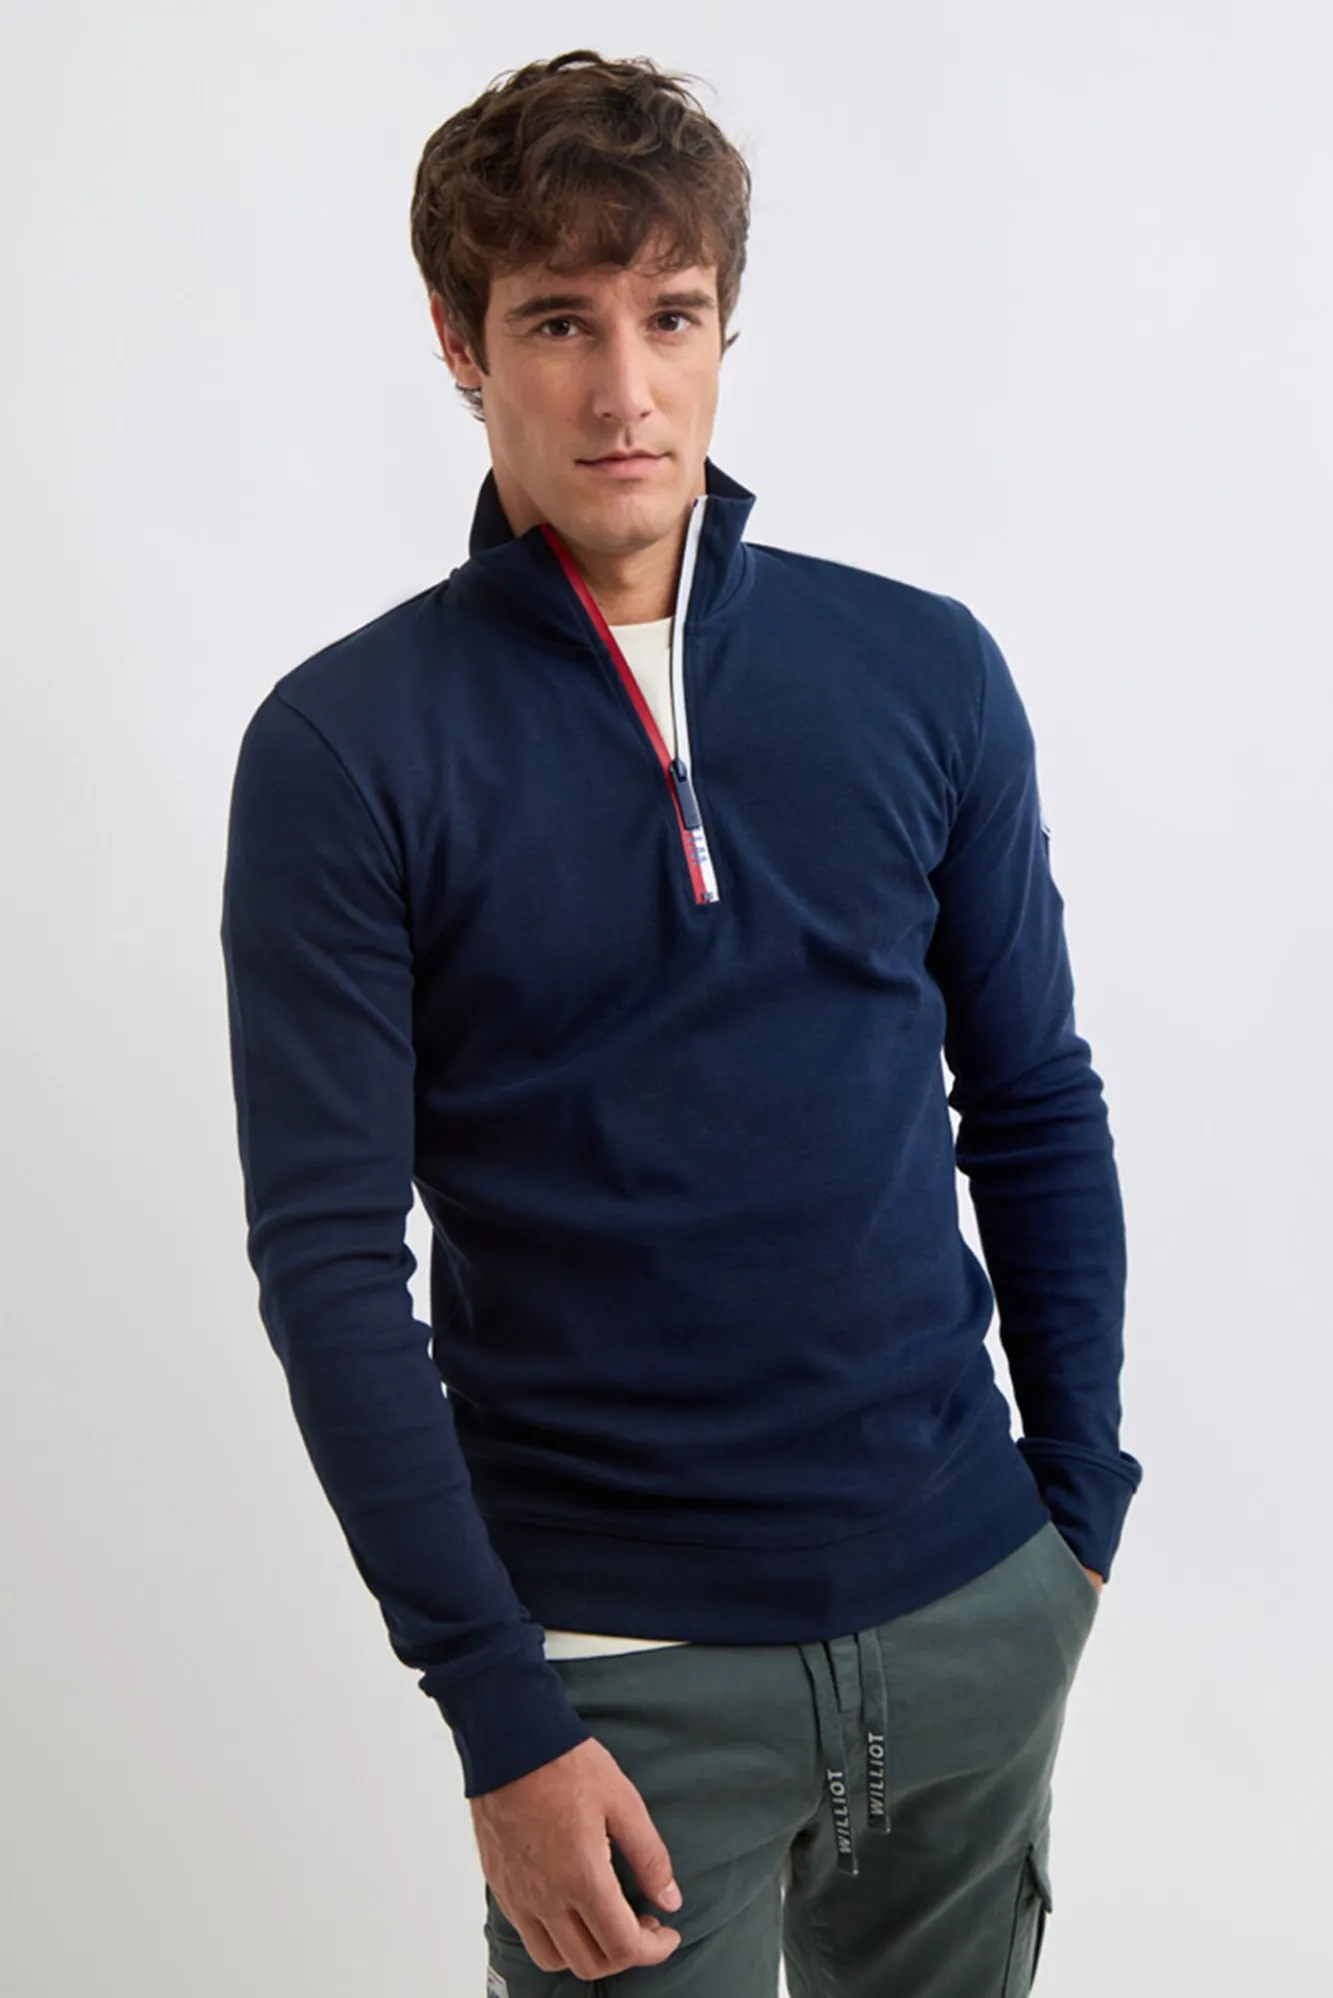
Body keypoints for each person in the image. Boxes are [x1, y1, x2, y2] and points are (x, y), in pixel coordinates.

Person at [219, 46, 1143, 1998]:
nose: (624, 389)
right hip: (616, 1685)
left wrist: (1074, 1518)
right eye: (559, 321)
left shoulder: (922, 669)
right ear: (460, 344)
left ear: (727, 327)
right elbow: (328, 1264)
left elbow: (1034, 1101)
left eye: (672, 315)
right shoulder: (345, 747)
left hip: (973, 1607)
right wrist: (502, 1711)